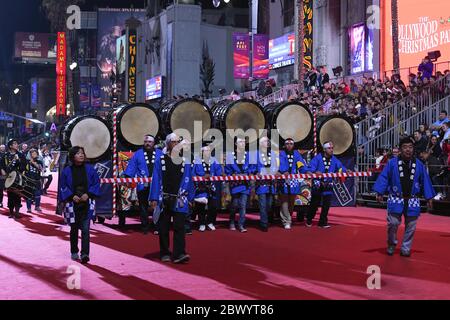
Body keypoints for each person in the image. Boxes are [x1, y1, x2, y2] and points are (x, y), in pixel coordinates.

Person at [373, 136, 435, 257]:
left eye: (410, 147)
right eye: (405, 147)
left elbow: (425, 181)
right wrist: (379, 192)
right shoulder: (392, 163)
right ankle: (391, 243)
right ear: (400, 149)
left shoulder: (419, 164)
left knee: (411, 226)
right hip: (396, 198)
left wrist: (429, 197)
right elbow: (384, 177)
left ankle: (406, 247)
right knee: (393, 224)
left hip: (412, 199)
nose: (408, 150)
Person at [149, 133, 194, 264]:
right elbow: (156, 180)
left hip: (180, 198)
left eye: (177, 142)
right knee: (163, 227)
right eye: (173, 142)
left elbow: (189, 180)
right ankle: (164, 252)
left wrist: (191, 197)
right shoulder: (160, 161)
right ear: (168, 144)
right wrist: (153, 198)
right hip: (164, 198)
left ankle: (179, 253)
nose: (176, 144)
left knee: (180, 226)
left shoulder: (185, 162)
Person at [59, 146, 101, 264]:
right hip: (73, 204)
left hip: (86, 203)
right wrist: (72, 196)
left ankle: (85, 254)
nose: (81, 155)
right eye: (78, 153)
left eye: (82, 153)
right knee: (73, 230)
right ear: (73, 156)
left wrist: (88, 194)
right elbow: (63, 186)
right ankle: (74, 251)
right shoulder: (67, 170)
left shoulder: (90, 169)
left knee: (86, 230)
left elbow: (96, 182)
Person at [123, 134, 162, 234]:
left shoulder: (160, 153)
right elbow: (131, 167)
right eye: (146, 142)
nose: (147, 143)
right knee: (143, 206)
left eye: (150, 142)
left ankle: (157, 226)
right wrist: (128, 178)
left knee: (157, 205)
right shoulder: (138, 154)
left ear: (154, 143)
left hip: (157, 184)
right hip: (142, 184)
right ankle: (144, 226)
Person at [306, 141, 347, 228]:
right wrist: (314, 171)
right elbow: (310, 168)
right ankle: (309, 219)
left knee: (326, 204)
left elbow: (340, 167)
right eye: (329, 148)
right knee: (314, 203)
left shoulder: (334, 159)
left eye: (332, 148)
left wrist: (346, 171)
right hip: (318, 183)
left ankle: (323, 222)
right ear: (324, 149)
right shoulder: (317, 158)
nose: (331, 150)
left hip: (328, 184)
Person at [278, 138, 309, 230]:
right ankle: (286, 221)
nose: (289, 145)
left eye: (291, 143)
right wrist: (284, 171)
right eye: (287, 144)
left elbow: (301, 164)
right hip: (283, 180)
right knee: (284, 201)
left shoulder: (296, 154)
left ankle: (288, 217)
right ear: (284, 145)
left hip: (293, 180)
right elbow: (280, 164)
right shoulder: (281, 154)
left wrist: (305, 171)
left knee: (291, 202)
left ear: (293, 145)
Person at [225, 137, 253, 233]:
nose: (243, 143)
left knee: (243, 205)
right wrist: (232, 174)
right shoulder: (230, 155)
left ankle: (241, 224)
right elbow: (227, 169)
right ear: (236, 144)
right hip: (235, 184)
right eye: (240, 142)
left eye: (244, 142)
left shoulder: (248, 155)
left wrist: (248, 172)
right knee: (234, 204)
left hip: (245, 184)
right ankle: (232, 221)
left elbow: (252, 167)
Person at [192, 145, 223, 232]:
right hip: (200, 187)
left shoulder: (214, 160)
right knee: (200, 206)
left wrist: (218, 175)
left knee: (213, 206)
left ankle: (210, 222)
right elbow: (193, 174)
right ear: (202, 152)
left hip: (211, 187)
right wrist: (202, 177)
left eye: (209, 151)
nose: (208, 152)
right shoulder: (197, 161)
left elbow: (219, 172)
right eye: (206, 151)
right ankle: (201, 223)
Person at [255, 136, 279, 232]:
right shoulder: (256, 154)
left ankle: (265, 219)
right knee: (262, 205)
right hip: (261, 184)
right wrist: (256, 172)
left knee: (269, 205)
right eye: (265, 141)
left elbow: (275, 166)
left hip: (270, 184)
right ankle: (264, 224)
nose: (267, 142)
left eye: (268, 141)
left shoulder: (272, 153)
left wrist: (273, 172)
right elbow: (254, 167)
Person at [1, 139, 27, 219]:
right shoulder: (5, 155)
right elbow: (1, 165)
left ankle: (17, 212)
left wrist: (18, 160)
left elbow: (23, 166)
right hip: (8, 177)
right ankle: (11, 212)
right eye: (14, 144)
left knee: (17, 194)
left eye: (17, 143)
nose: (17, 145)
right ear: (10, 146)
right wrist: (3, 172)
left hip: (17, 178)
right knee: (10, 195)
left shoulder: (21, 155)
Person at [24, 149, 43, 213]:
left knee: (38, 194)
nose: (34, 155)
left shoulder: (39, 161)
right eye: (33, 154)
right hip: (29, 180)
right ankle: (29, 208)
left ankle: (37, 206)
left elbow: (40, 169)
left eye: (35, 154)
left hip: (37, 180)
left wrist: (34, 163)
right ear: (30, 155)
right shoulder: (26, 162)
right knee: (28, 195)